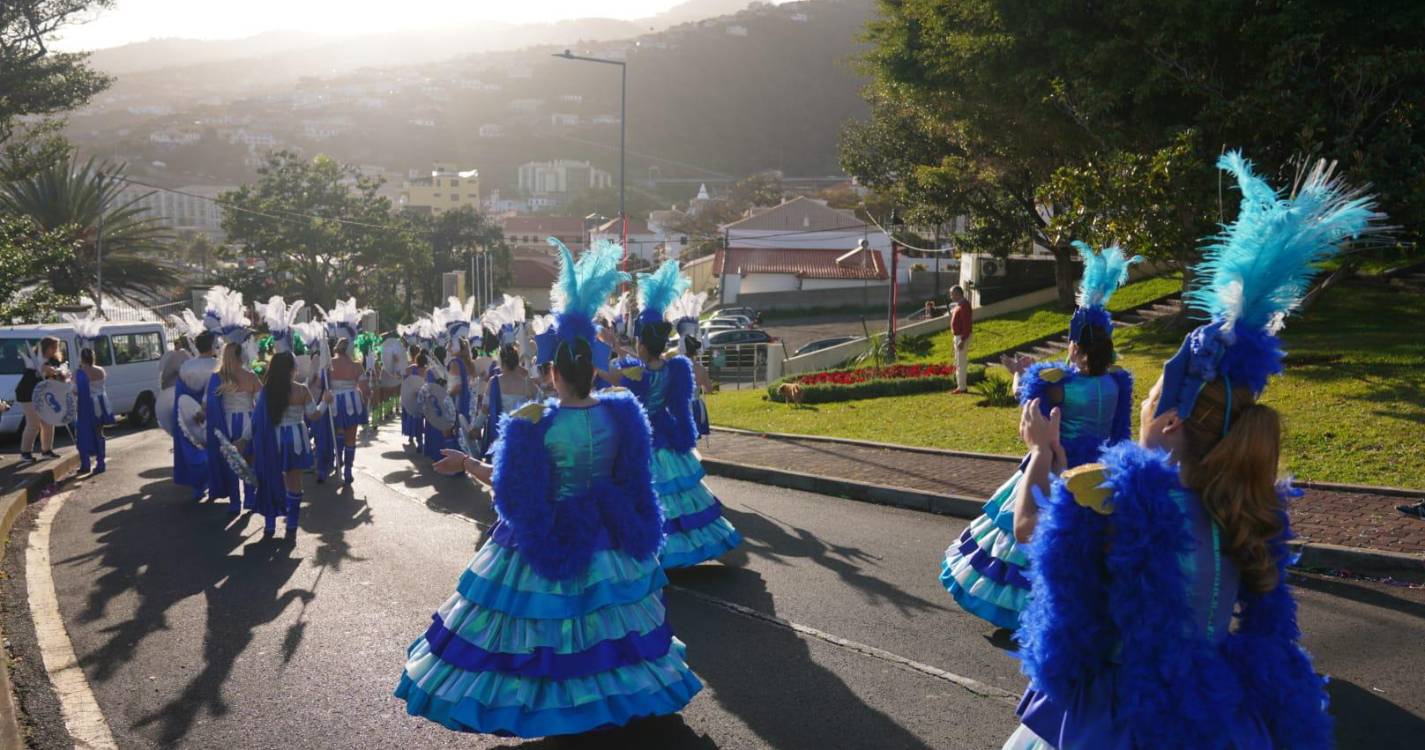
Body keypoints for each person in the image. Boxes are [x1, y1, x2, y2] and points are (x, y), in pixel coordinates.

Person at [1001, 151, 1379, 750]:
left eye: (1153, 395)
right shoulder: (1242, 501)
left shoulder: (1109, 495)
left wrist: (1041, 454)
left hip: (1121, 714)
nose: (1145, 400)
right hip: (1215, 709)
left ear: (1171, 419)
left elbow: (1028, 529)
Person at [394, 238, 701, 738]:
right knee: (609, 625)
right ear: (587, 370)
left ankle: (558, 709)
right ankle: (613, 703)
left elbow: (513, 491)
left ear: (554, 372)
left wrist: (467, 462)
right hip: (609, 533)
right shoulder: (621, 411)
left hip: (547, 537)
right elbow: (635, 480)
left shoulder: (532, 421)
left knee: (544, 627)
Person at [940, 244, 1138, 631]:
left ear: (1075, 344)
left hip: (1056, 463)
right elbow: (1120, 432)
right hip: (1103, 469)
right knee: (1090, 541)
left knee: (1031, 535)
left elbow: (1029, 414)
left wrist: (1022, 373)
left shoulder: (1059, 381)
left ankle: (1025, 612)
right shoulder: (1118, 381)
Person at [618, 260, 742, 569]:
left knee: (651, 491)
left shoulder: (638, 371)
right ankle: (692, 545)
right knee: (678, 494)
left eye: (637, 341)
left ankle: (657, 549)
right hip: (666, 432)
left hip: (643, 437)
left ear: (643, 344)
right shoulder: (671, 367)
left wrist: (608, 349)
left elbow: (620, 375)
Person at [250, 351, 329, 537]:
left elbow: (257, 418)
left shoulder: (266, 391)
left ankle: (270, 525)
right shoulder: (302, 390)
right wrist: (325, 402)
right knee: (294, 482)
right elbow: (314, 415)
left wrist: (246, 439)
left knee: (270, 478)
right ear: (293, 368)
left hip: (272, 439)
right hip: (296, 440)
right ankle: (291, 524)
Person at [207, 342, 262, 514]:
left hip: (227, 424)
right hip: (248, 421)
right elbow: (261, 404)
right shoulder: (251, 377)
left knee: (231, 463)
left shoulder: (218, 377)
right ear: (241, 356)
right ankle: (250, 499)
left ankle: (235, 501)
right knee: (249, 461)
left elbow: (209, 404)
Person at [175, 331, 219, 500]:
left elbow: (180, 393)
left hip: (189, 412)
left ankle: (197, 486)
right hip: (213, 411)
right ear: (212, 345)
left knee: (192, 446)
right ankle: (215, 483)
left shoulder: (186, 366)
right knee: (214, 446)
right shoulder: (218, 365)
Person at [17, 336, 66, 465]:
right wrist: (48, 371)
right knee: (33, 423)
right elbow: (38, 371)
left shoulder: (53, 360)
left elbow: (56, 377)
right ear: (46, 347)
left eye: (56, 347)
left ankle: (46, 450)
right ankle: (25, 453)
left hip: (42, 394)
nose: (55, 349)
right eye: (53, 347)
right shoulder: (33, 358)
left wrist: (59, 375)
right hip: (27, 394)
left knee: (48, 421)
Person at [329, 337, 370, 484]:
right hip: (353, 401)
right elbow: (364, 388)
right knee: (350, 438)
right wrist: (367, 397)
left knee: (338, 432)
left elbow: (324, 384)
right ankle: (348, 470)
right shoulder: (357, 366)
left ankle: (338, 462)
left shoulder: (329, 364)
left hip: (334, 402)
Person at [74, 347, 114, 474]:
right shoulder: (100, 370)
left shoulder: (80, 372)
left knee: (83, 433)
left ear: (81, 358)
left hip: (87, 405)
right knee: (99, 432)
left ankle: (85, 464)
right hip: (102, 403)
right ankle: (100, 463)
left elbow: (75, 391)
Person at [401, 347, 427, 449]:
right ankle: (419, 441)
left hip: (412, 396)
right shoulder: (427, 370)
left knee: (412, 416)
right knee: (420, 418)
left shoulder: (411, 368)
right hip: (423, 397)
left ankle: (412, 436)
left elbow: (404, 378)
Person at [949, 285, 972, 394]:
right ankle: (960, 385)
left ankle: (962, 387)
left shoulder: (964, 305)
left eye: (952, 294)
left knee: (960, 362)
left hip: (962, 337)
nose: (951, 296)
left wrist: (962, 340)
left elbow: (966, 324)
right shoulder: (959, 305)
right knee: (958, 362)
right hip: (958, 336)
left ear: (958, 293)